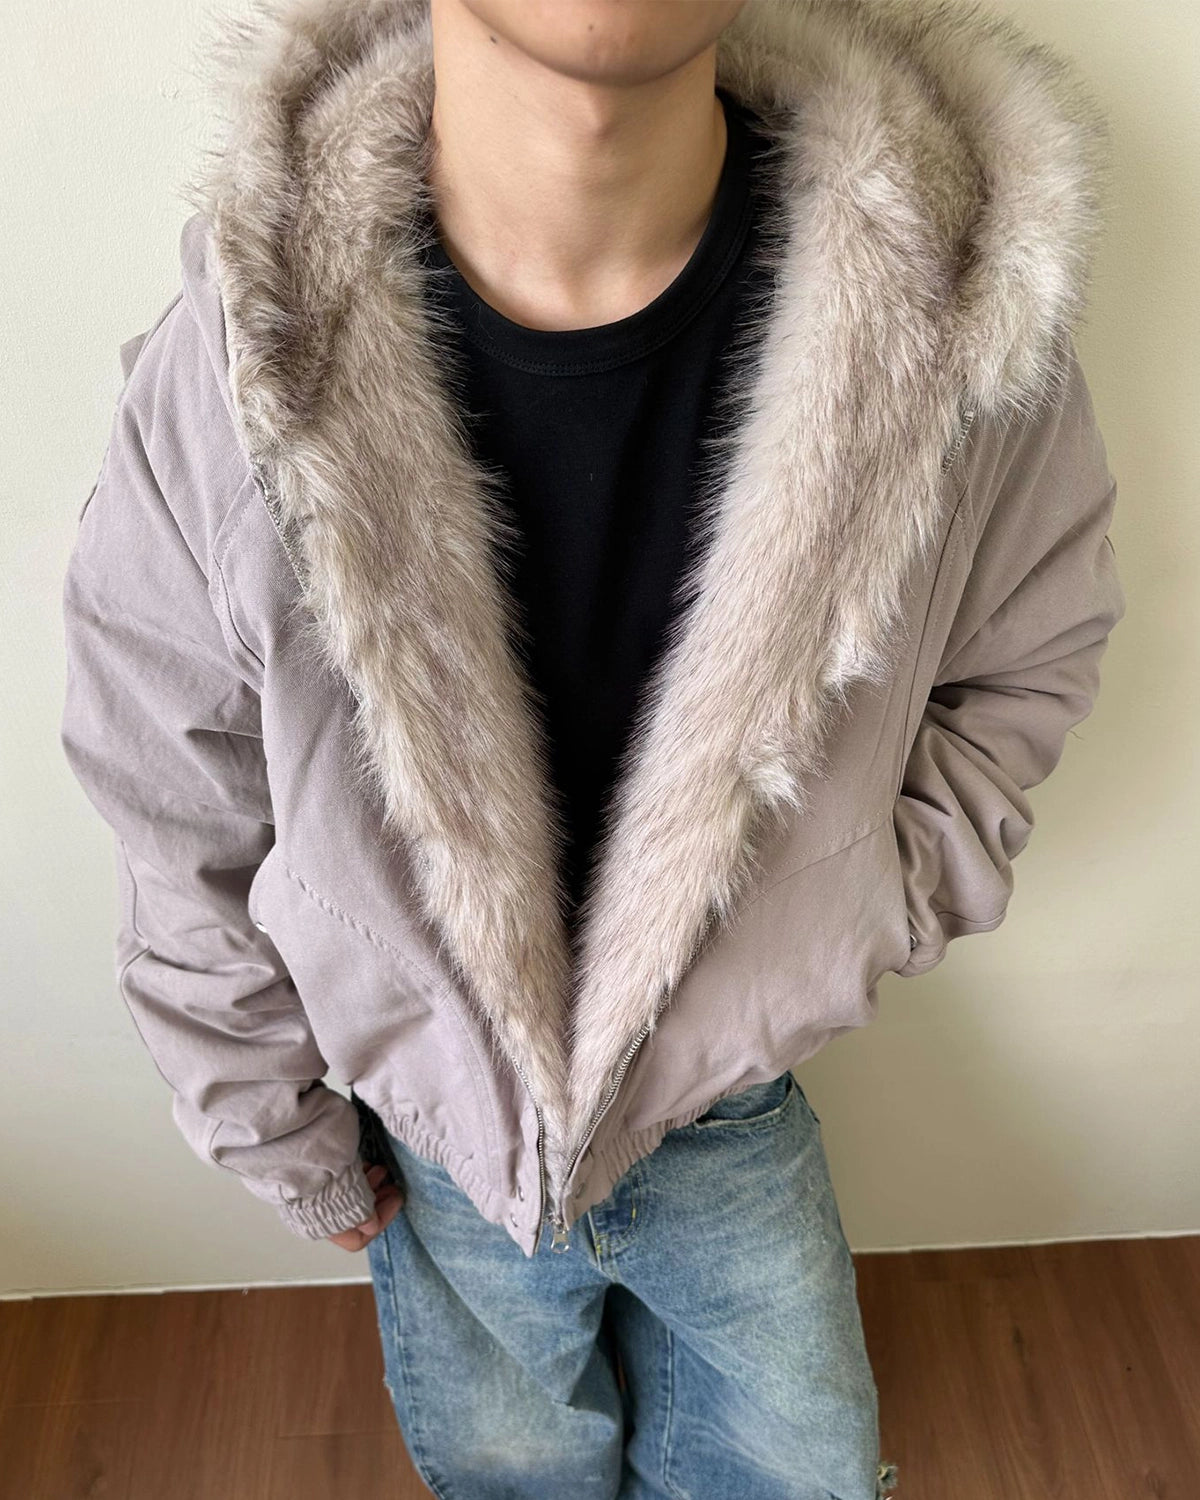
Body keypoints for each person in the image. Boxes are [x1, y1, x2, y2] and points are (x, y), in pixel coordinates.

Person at [59, 0, 1125, 1495]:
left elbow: (1023, 660)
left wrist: (861, 907)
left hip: (729, 1115)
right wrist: (278, 1126)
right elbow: (174, 791)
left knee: (797, 1469)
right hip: (428, 1143)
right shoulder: (239, 364)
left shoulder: (951, 323)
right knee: (508, 1465)